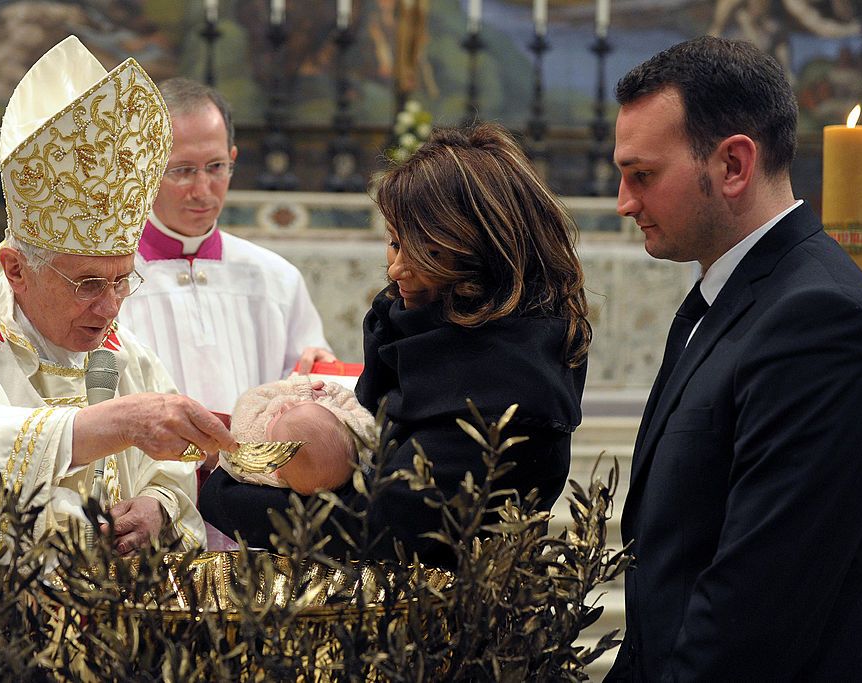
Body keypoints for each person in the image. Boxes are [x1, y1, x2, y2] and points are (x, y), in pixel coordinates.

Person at [0, 36, 237, 681]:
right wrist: (105, 428)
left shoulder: (119, 349)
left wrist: (157, 508)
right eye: (89, 282)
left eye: (124, 279)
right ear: (16, 268)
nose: (111, 305)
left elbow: (168, 474)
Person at [605, 36, 862, 681]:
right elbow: (669, 573)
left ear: (733, 165)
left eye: (642, 175)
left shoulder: (820, 322)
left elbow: (753, 612)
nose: (624, 202)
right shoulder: (726, 295)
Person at [200, 123, 590, 568]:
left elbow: (380, 527)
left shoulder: (508, 374)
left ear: (478, 251)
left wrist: (223, 495)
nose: (399, 269)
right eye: (394, 243)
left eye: (426, 252)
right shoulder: (419, 330)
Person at [117, 77, 334, 417]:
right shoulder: (109, 281)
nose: (203, 190)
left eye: (216, 167)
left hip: (257, 470)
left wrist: (322, 380)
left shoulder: (276, 279)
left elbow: (316, 393)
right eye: (183, 170)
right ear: (144, 167)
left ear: (233, 158)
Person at [221, 375, 376, 495]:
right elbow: (364, 422)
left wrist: (299, 389)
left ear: (276, 470)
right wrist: (328, 397)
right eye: (298, 405)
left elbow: (249, 401)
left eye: (279, 418)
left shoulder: (252, 446)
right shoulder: (355, 449)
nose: (285, 406)